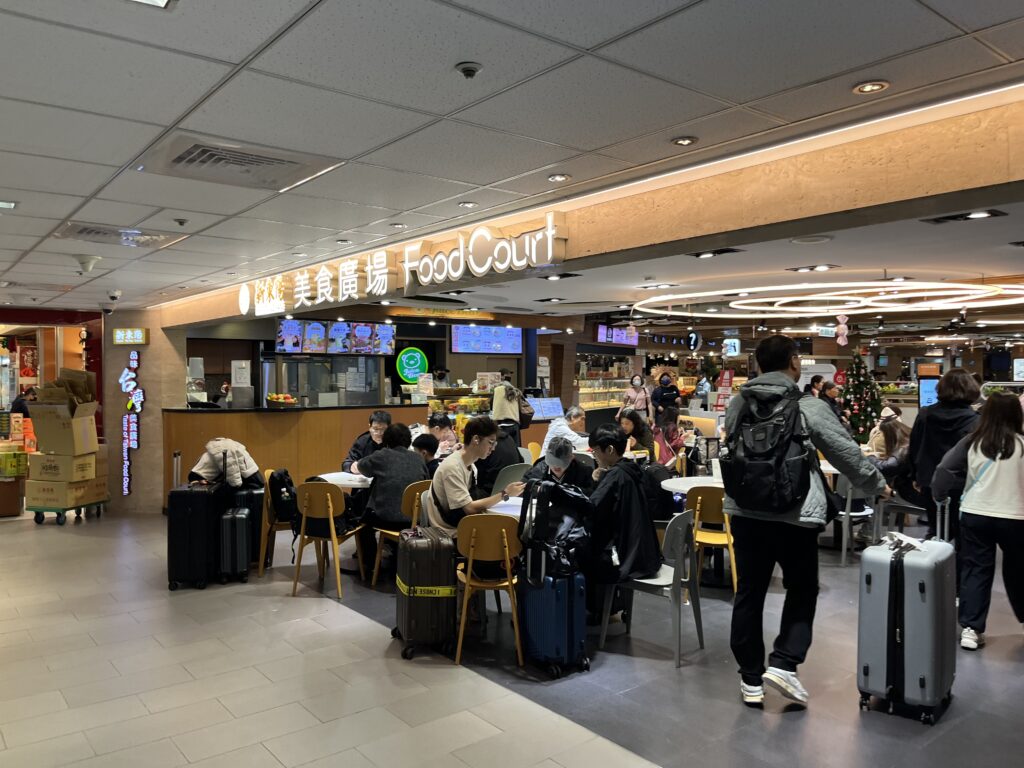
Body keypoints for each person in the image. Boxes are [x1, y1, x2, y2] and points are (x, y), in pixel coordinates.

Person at [724, 335, 888, 707]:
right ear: (795, 363)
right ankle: (784, 662)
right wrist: (876, 485)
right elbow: (844, 451)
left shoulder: (738, 402)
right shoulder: (807, 406)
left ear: (758, 365)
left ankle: (750, 678)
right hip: (795, 513)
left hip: (746, 511)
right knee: (801, 588)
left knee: (749, 592)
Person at [932, 393, 1024, 651]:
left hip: (976, 513)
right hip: (1016, 516)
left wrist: (939, 495)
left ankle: (971, 629)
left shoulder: (972, 442)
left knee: (976, 568)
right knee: (1019, 570)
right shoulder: (1022, 443)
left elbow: (944, 469)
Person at [587, 423, 661, 590]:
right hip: (647, 556)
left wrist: (595, 483)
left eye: (595, 450)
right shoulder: (633, 469)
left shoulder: (615, 476)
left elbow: (593, 509)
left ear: (609, 450)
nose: (594, 455)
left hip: (628, 562)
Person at [909, 368, 980, 539]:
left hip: (929, 479)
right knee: (963, 534)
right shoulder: (975, 420)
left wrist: (915, 475)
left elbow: (914, 446)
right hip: (962, 483)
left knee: (937, 531)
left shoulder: (925, 414)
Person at [352, 424, 430, 569]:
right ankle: (396, 557)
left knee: (363, 525)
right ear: (409, 440)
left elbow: (362, 467)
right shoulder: (418, 459)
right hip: (414, 521)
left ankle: (370, 566)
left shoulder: (381, 455)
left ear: (386, 440)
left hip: (385, 518)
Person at [430, 416, 525, 534]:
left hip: (465, 523)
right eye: (490, 443)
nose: (493, 449)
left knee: (513, 530)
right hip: (449, 531)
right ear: (476, 439)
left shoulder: (471, 466)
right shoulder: (452, 467)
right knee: (508, 533)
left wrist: (506, 495)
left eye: (494, 444)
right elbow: (469, 509)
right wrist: (505, 494)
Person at [524, 436, 595, 494]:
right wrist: (540, 490)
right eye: (552, 461)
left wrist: (566, 491)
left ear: (571, 458)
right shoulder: (540, 468)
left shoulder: (583, 471)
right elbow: (524, 487)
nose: (556, 466)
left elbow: (592, 493)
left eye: (561, 462)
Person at [474, 423, 521, 495]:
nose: (493, 448)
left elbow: (477, 474)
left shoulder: (485, 445)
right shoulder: (509, 438)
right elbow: (521, 461)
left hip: (488, 493)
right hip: (513, 491)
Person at [491, 370, 521, 445]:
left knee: (503, 448)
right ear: (501, 376)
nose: (509, 377)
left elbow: (491, 405)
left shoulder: (497, 389)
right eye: (508, 375)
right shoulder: (514, 389)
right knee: (516, 449)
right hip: (515, 424)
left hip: (502, 425)